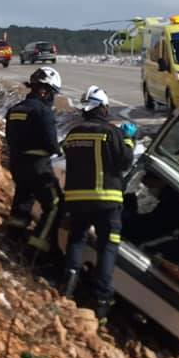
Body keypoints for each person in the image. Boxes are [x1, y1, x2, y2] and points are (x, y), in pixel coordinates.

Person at [60, 85, 136, 323]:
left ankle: (67, 286)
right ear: (102, 108)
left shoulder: (72, 134)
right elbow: (124, 162)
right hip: (106, 200)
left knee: (76, 240)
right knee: (107, 248)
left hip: (76, 200)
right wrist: (129, 140)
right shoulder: (110, 133)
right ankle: (101, 300)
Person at [3, 67, 63, 256]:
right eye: (52, 93)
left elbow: (10, 139)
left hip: (17, 164)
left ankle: (12, 237)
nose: (52, 98)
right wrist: (58, 149)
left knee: (23, 198)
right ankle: (37, 248)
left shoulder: (14, 110)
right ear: (45, 90)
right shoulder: (43, 112)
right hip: (38, 167)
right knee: (54, 205)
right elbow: (52, 143)